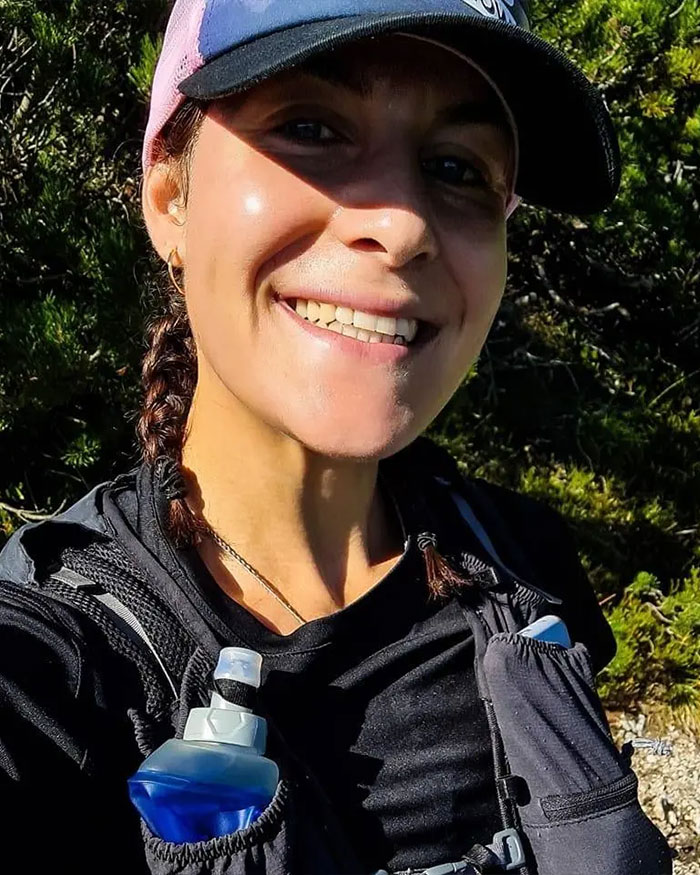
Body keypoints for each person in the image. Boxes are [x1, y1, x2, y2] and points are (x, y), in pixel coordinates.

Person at [0, 1, 644, 873]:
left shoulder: (523, 571)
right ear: (168, 196)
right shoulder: (60, 658)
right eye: (310, 127)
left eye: (458, 167)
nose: (404, 224)